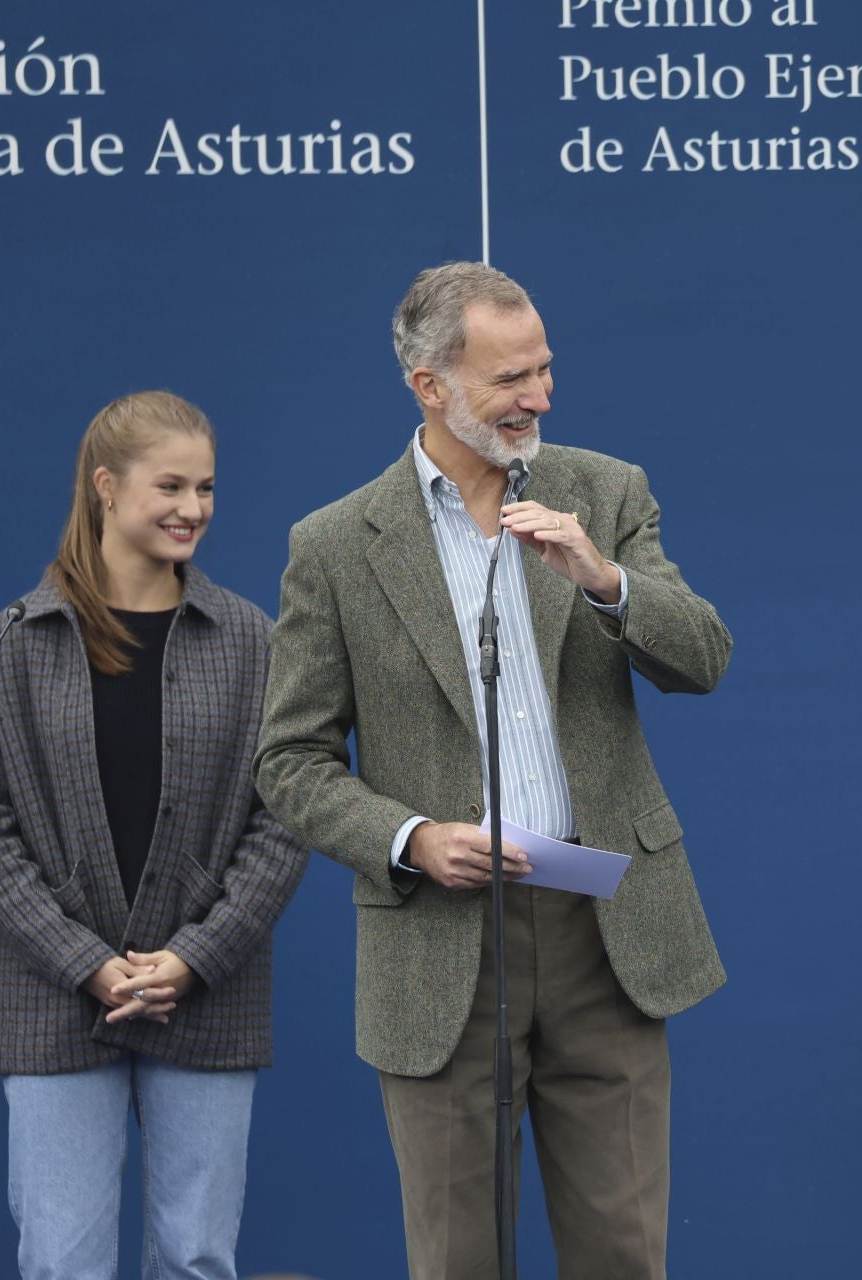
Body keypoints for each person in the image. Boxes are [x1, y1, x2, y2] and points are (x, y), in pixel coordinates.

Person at [253, 262, 731, 1280]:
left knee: (622, 1252)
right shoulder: (335, 545)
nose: (541, 397)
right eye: (512, 377)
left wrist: (606, 581)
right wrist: (409, 837)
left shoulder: (606, 491)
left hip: (605, 927)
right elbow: (289, 760)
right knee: (459, 1257)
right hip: (440, 943)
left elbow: (703, 656)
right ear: (430, 384)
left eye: (547, 369)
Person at [0, 391, 308, 1280]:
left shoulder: (257, 645)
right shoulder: (9, 646)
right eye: (171, 485)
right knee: (62, 1262)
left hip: (209, 993)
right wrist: (85, 960)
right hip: (53, 997)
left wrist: (194, 955)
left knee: (196, 1257)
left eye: (208, 488)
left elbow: (285, 814)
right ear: (106, 488)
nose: (194, 508)